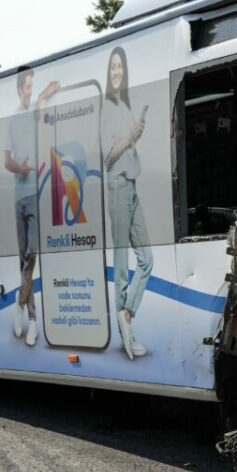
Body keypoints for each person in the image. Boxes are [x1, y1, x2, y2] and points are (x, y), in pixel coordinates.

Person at [101, 47, 151, 360]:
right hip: (117, 186)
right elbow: (108, 156)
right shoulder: (108, 107)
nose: (117, 72)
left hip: (131, 185)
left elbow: (125, 148)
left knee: (146, 259)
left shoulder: (124, 104)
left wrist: (136, 134)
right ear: (109, 72)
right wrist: (130, 136)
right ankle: (126, 333)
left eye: (121, 67)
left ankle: (127, 315)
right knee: (122, 265)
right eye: (113, 67)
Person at [4, 68, 59, 347]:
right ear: (18, 89)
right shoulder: (13, 120)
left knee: (32, 254)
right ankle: (33, 320)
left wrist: (44, 93)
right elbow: (6, 161)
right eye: (26, 87)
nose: (29, 90)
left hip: (35, 195)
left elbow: (41, 108)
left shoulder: (32, 112)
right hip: (18, 197)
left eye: (31, 86)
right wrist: (20, 167)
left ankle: (19, 301)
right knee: (24, 261)